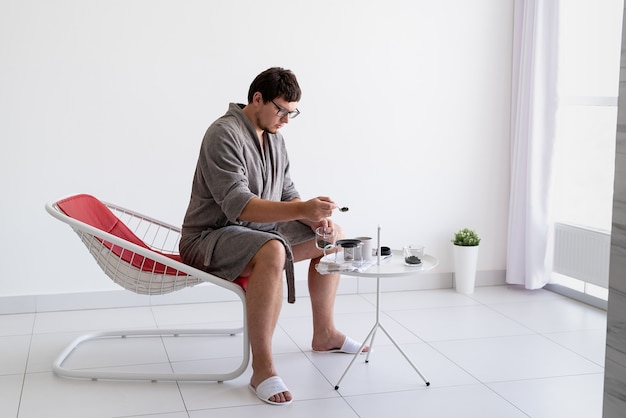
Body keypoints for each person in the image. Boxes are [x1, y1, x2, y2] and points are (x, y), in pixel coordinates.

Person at [180, 67, 366, 406]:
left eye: (292, 113)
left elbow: (288, 193)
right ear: (257, 99)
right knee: (272, 250)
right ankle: (261, 368)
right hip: (210, 237)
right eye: (281, 110)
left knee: (333, 236)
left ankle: (324, 334)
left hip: (259, 232)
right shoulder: (223, 134)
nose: (286, 120)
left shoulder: (276, 139)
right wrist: (300, 210)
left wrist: (313, 219)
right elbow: (238, 205)